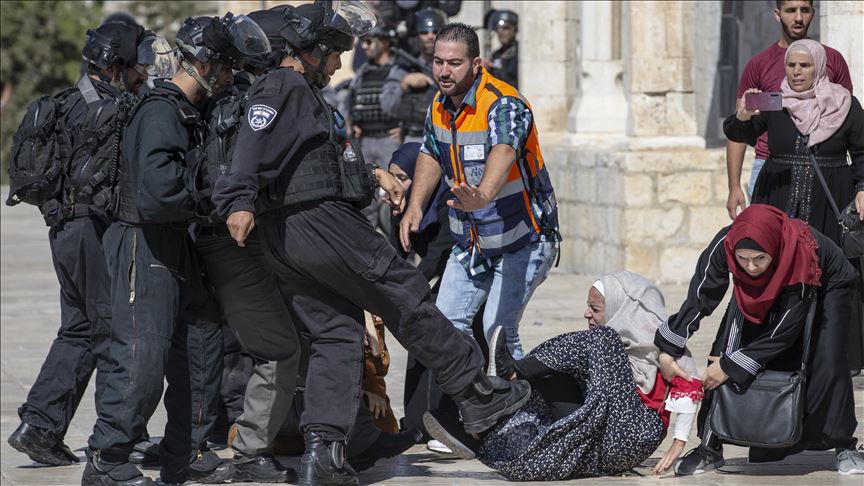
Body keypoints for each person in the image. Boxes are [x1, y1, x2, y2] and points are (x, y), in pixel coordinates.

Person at [211, 3, 531, 485]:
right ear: (311, 51)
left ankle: (325, 454)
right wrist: (236, 198)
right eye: (336, 53)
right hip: (316, 223)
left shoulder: (296, 91)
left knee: (337, 334)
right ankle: (477, 394)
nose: (340, 64)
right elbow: (253, 142)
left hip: (290, 232)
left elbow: (315, 167)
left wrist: (372, 178)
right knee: (403, 289)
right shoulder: (283, 85)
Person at [82, 14, 271, 486]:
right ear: (204, 64)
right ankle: (108, 459)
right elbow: (156, 192)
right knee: (141, 355)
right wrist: (212, 198)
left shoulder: (189, 111)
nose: (230, 79)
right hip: (143, 241)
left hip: (177, 243)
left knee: (202, 343)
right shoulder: (161, 111)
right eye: (225, 69)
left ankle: (187, 452)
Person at [6, 21, 151, 468]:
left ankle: (41, 426)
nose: (143, 73)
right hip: (91, 232)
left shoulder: (64, 104)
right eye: (136, 65)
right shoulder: (111, 110)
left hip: (64, 232)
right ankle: (115, 440)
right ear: (116, 65)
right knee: (109, 331)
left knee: (78, 329)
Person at [423, 271, 704, 479]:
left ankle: (512, 374)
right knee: (555, 375)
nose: (586, 314)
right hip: (602, 436)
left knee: (602, 340)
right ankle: (482, 434)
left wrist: (679, 441)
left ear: (623, 309)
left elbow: (689, 385)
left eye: (595, 309)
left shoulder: (662, 347)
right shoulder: (607, 355)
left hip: (635, 432)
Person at [653, 204, 864, 476]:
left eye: (759, 259)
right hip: (766, 286)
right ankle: (710, 446)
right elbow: (700, 296)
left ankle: (843, 445)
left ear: (773, 251)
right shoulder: (726, 244)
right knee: (724, 348)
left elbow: (786, 329)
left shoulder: (797, 251)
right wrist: (669, 349)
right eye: (743, 259)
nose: (750, 267)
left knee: (828, 359)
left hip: (826, 285)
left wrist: (732, 367)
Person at [399, 22, 560, 360]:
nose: (444, 71)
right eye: (438, 61)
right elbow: (430, 152)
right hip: (473, 243)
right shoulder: (439, 106)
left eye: (454, 63)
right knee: (445, 327)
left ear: (475, 64)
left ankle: (525, 407)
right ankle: (479, 405)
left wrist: (484, 194)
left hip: (524, 240)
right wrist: (415, 206)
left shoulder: (504, 103)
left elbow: (504, 148)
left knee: (498, 332)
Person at [194, 7, 306, 483]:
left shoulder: (207, 102)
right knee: (280, 349)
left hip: (210, 238)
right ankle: (250, 450)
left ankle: (203, 441)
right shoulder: (250, 103)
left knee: (215, 345)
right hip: (234, 240)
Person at [724, 38, 864, 373]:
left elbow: (861, 151)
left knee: (829, 271)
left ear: (819, 67)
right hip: (779, 194)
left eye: (805, 65)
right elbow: (738, 132)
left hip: (830, 195)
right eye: (791, 65)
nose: (797, 72)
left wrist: (862, 188)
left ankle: (833, 354)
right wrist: (743, 116)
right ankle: (770, 348)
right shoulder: (774, 102)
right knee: (774, 269)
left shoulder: (845, 104)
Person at [724, 0, 852, 219]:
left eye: (804, 10)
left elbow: (848, 120)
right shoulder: (759, 64)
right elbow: (740, 127)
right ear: (777, 14)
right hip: (769, 166)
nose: (798, 17)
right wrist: (734, 185)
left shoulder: (833, 60)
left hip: (822, 166)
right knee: (771, 243)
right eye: (791, 11)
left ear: (813, 13)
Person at [380, 7, 444, 144]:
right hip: (414, 137)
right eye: (424, 32)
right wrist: (403, 85)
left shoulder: (452, 66)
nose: (430, 36)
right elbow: (387, 105)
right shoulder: (405, 67)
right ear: (417, 36)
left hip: (446, 135)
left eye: (435, 32)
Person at [482, 9, 518, 89]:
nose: (501, 31)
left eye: (506, 28)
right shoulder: (496, 55)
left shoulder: (520, 53)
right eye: (498, 28)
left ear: (515, 29)